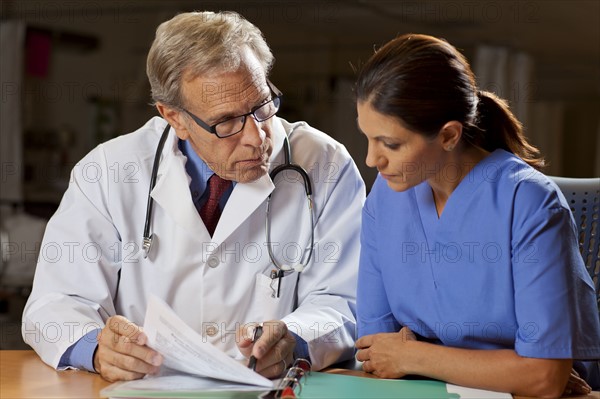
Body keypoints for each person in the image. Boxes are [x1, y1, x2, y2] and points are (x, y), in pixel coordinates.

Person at [22, 11, 365, 382]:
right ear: (175, 117)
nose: (258, 137)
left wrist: (295, 340)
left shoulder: (325, 164)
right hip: (147, 388)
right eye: (227, 122)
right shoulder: (107, 171)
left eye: (262, 106)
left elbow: (345, 299)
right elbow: (55, 304)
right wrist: (97, 348)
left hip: (268, 387)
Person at [354, 33, 600, 397]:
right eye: (368, 138)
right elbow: (374, 352)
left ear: (450, 135)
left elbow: (542, 378)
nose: (372, 160)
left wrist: (412, 355)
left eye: (391, 144)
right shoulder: (385, 199)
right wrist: (499, 366)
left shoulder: (529, 201)